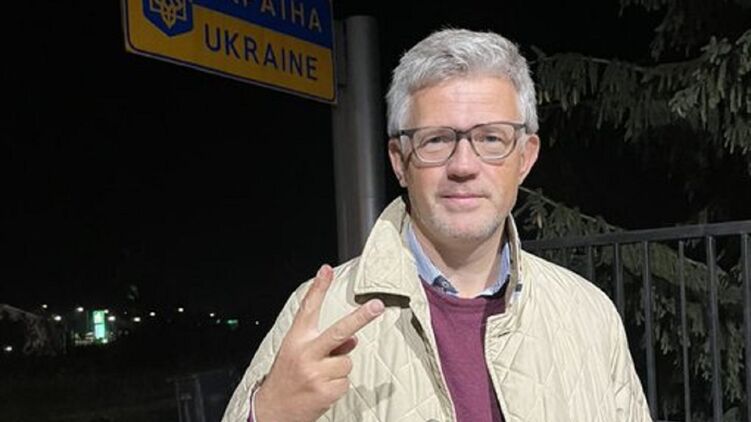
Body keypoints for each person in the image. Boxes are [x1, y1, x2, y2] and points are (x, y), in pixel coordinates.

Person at [222, 28, 652, 422]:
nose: (463, 165)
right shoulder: (320, 315)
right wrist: (269, 413)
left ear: (525, 157)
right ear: (399, 161)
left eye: (490, 138)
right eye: (437, 139)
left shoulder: (589, 314)